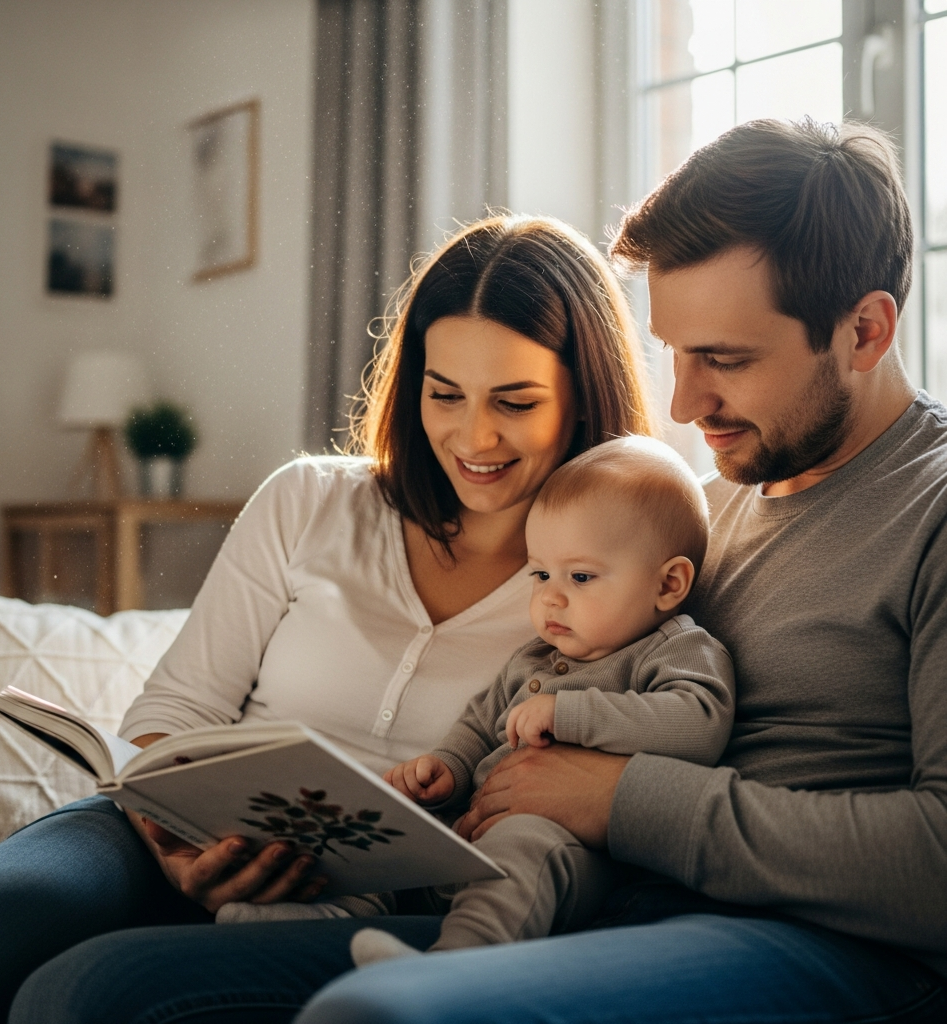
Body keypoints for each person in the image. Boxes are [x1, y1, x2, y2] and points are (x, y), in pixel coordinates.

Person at [291, 118, 947, 1024]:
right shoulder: (696, 515)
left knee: (384, 1014)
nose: (684, 402)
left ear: (866, 330)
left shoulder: (934, 509)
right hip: (599, 904)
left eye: (724, 359)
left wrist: (622, 799)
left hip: (819, 944)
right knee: (97, 986)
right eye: (675, 353)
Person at [0, 213, 654, 1024]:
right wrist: (177, 846)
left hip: (394, 901)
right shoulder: (308, 500)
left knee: (73, 996)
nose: (472, 436)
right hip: (174, 833)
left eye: (514, 403)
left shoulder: (621, 572)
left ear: (584, 398)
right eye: (444, 394)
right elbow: (176, 708)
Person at [346, 436, 733, 964]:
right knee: (390, 831)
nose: (551, 595)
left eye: (580, 576)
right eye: (540, 574)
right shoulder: (534, 656)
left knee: (525, 845)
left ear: (668, 584)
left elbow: (699, 723)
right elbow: (481, 721)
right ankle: (325, 916)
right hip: (469, 830)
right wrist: (448, 766)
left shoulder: (676, 649)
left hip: (572, 854)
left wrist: (570, 714)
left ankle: (452, 966)